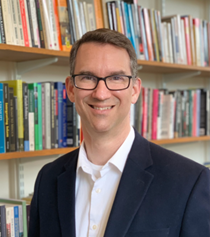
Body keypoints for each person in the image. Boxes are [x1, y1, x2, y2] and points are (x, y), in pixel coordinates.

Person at [28, 28, 210, 237]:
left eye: (116, 78)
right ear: (71, 89)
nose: (101, 93)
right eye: (88, 77)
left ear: (134, 90)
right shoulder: (48, 178)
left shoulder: (189, 182)